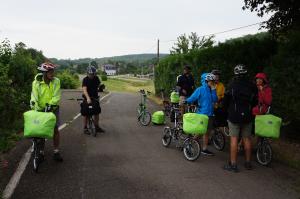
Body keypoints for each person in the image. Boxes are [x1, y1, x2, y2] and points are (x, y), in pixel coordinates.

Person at [223, 65, 257, 172]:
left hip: (234, 115)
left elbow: (226, 101)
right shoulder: (252, 85)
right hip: (248, 115)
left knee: (234, 138)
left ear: (235, 74)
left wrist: (225, 110)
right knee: (247, 138)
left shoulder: (232, 85)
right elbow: (255, 101)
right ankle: (248, 163)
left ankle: (233, 164)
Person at [30, 62, 63, 162]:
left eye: (53, 71)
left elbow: (56, 96)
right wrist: (35, 106)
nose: (52, 73)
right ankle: (41, 152)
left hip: (53, 108)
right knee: (41, 130)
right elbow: (34, 96)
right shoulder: (36, 83)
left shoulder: (56, 81)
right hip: (39, 108)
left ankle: (56, 151)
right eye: (50, 71)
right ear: (44, 72)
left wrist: (50, 106)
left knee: (55, 129)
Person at [186, 73, 218, 156]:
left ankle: (204, 149)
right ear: (206, 80)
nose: (212, 82)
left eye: (213, 81)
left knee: (207, 132)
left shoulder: (212, 89)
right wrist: (186, 101)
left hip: (210, 114)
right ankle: (190, 144)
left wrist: (214, 90)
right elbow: (193, 98)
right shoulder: (200, 89)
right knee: (200, 131)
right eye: (211, 81)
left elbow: (215, 100)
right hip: (202, 114)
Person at [81, 66, 104, 133]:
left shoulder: (96, 78)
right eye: (89, 74)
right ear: (87, 73)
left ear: (94, 73)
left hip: (95, 98)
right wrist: (88, 98)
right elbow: (84, 90)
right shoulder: (85, 80)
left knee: (97, 112)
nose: (91, 75)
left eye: (92, 74)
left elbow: (99, 85)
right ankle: (85, 128)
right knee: (86, 113)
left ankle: (97, 127)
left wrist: (101, 87)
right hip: (87, 98)